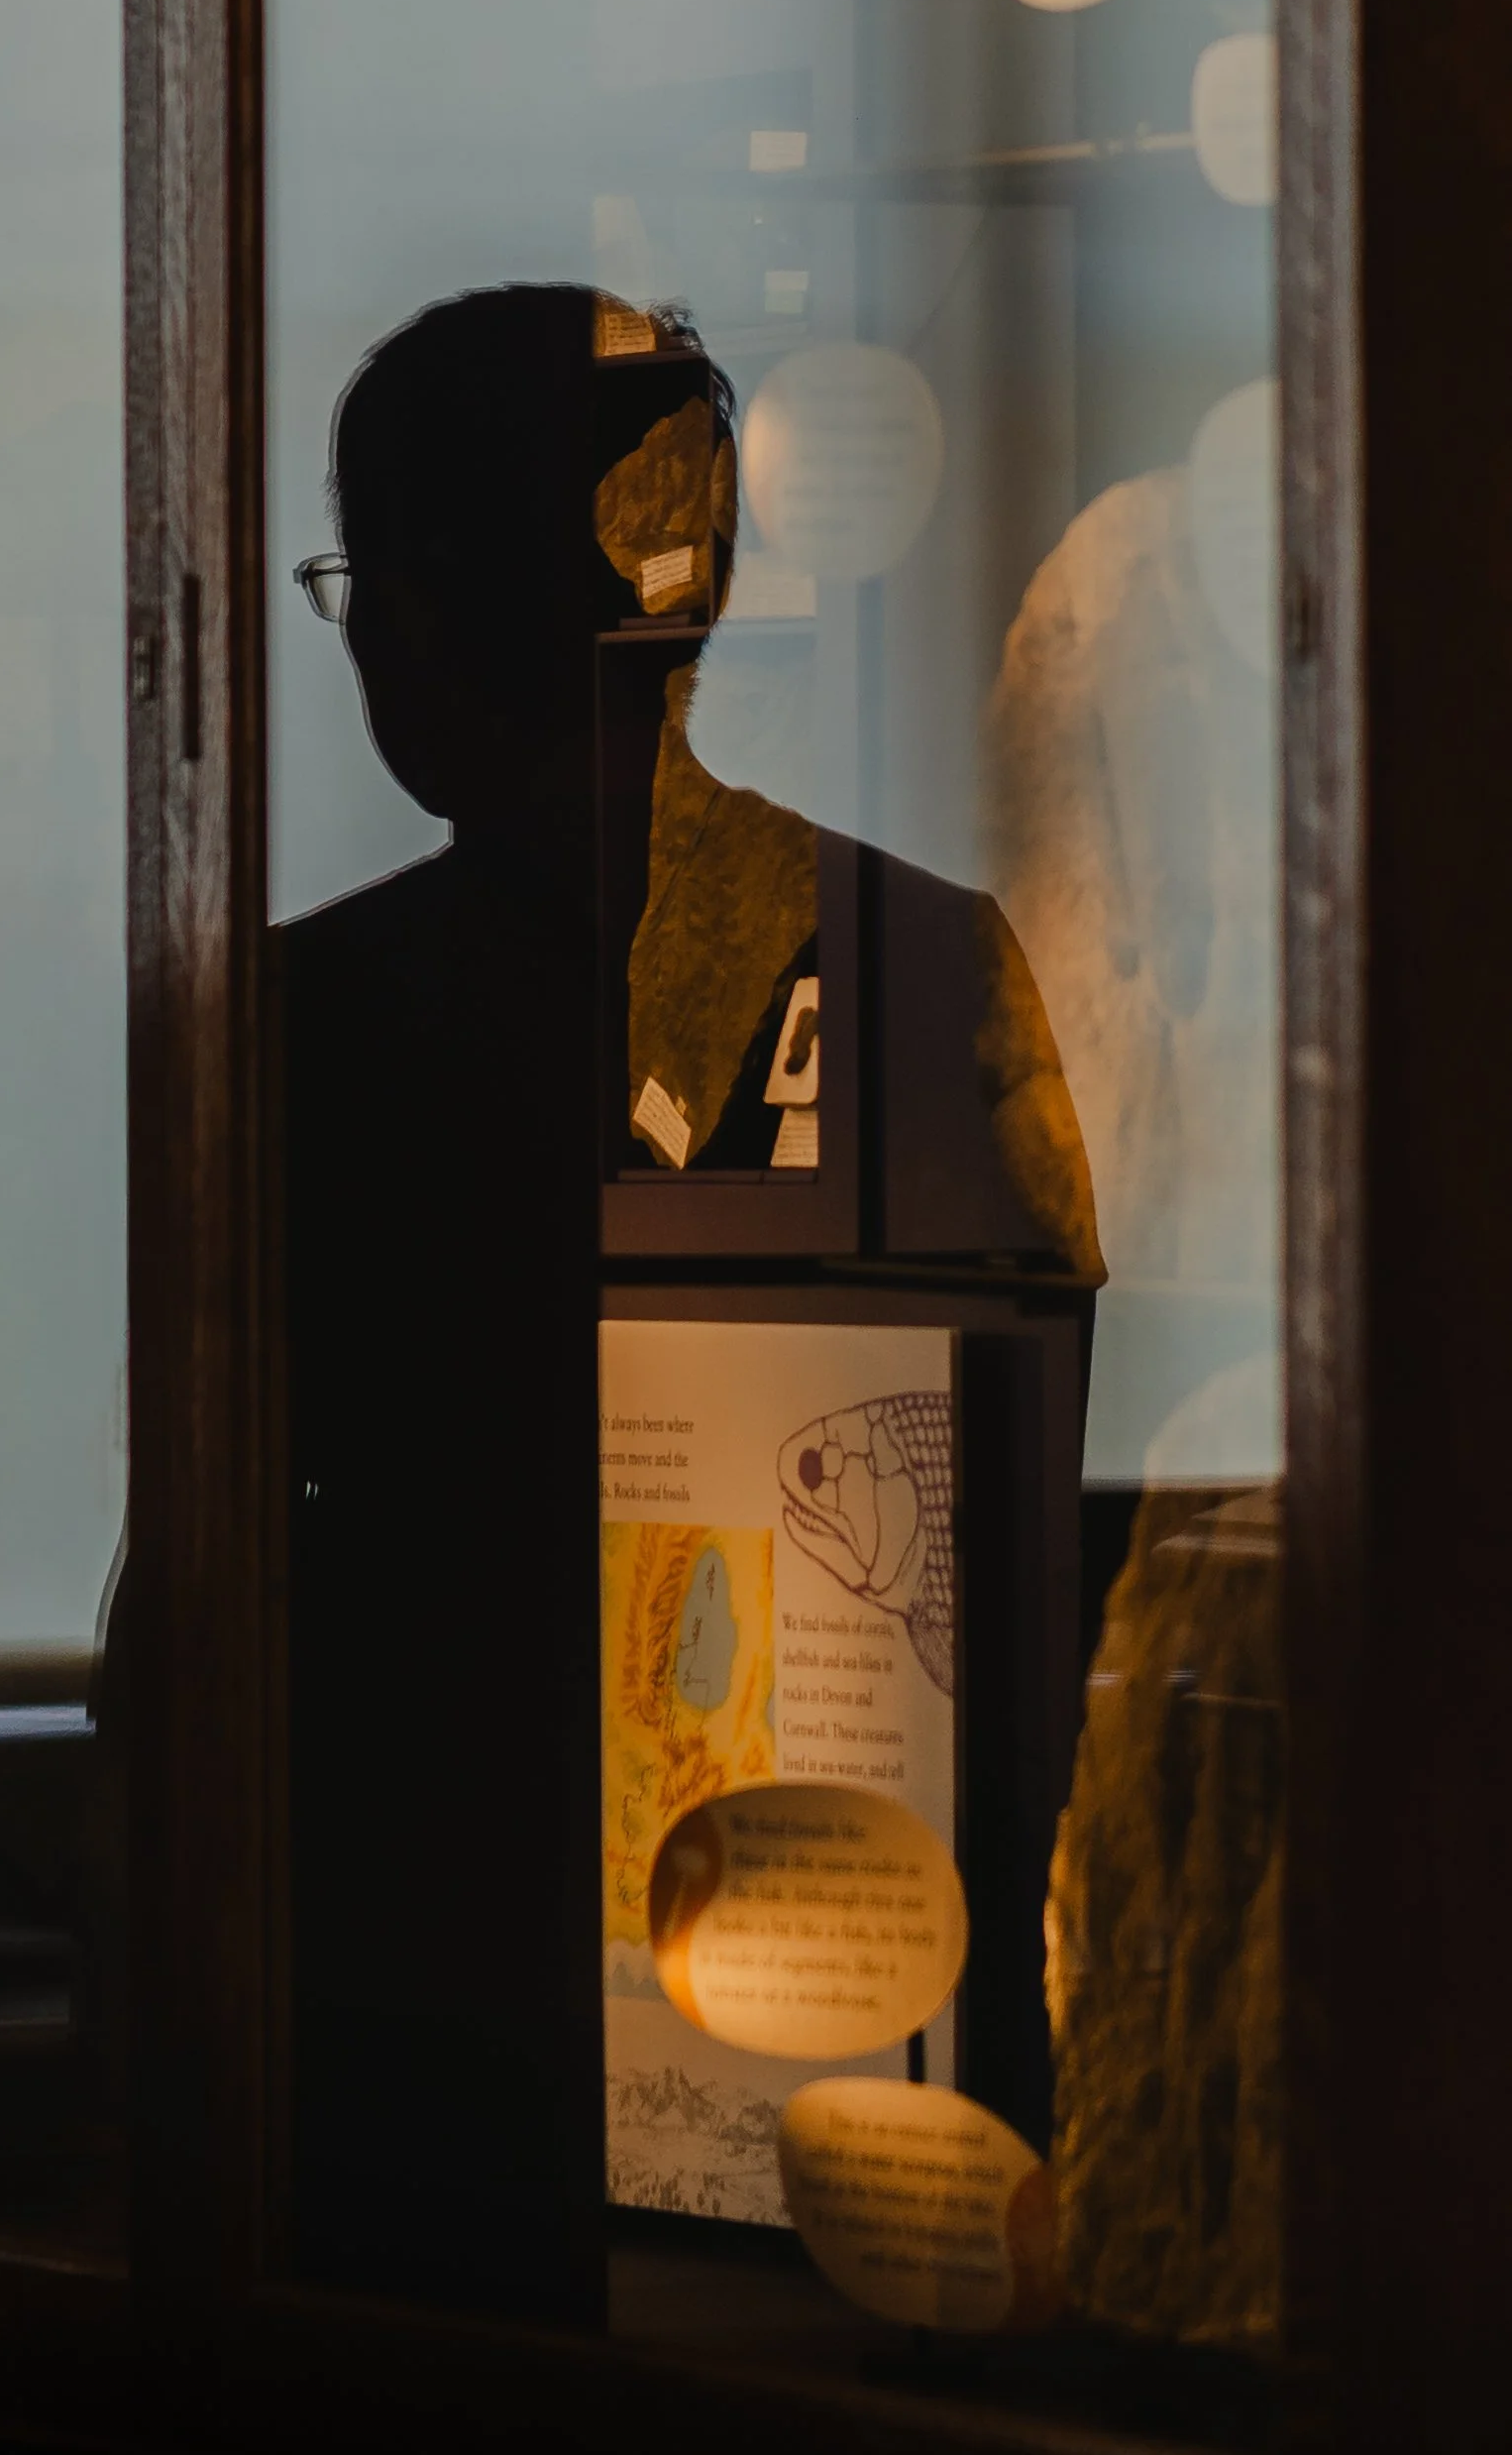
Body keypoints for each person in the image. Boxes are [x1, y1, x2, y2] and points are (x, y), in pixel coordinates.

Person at [278, 283, 1099, 2319]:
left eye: (360, 587)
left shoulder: (313, 1019)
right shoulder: (922, 950)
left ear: (426, 616)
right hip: (849, 2005)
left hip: (427, 2028)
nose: (362, 640)